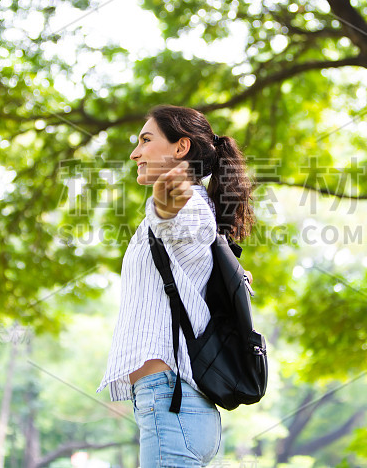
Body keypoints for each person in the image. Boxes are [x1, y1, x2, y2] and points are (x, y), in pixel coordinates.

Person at [96, 104, 255, 467]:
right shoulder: (194, 207)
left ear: (180, 148)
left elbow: (175, 223)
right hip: (173, 406)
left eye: (146, 140)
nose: (135, 152)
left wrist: (164, 209)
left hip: (171, 403)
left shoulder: (192, 208)